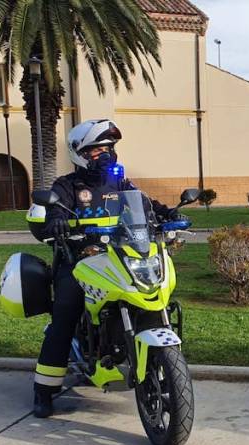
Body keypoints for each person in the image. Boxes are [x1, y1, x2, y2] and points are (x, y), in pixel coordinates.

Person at [29, 119, 178, 418]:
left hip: (117, 257)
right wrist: (55, 221)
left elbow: (146, 206)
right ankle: (44, 390)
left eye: (109, 148)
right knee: (66, 316)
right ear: (80, 153)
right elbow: (55, 209)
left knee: (149, 295)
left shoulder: (120, 183)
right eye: (98, 150)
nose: (106, 155)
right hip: (78, 261)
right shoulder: (67, 186)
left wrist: (168, 213)